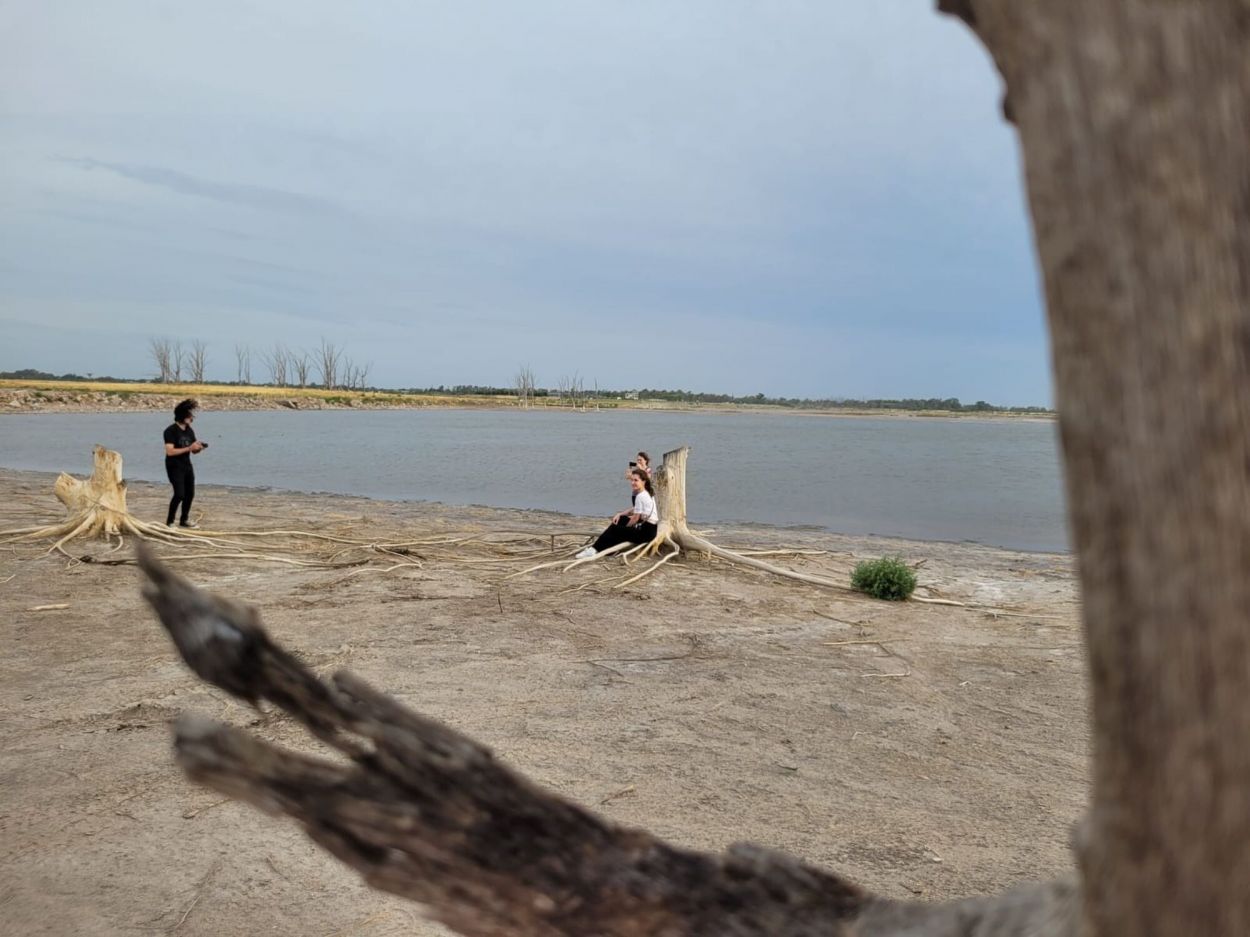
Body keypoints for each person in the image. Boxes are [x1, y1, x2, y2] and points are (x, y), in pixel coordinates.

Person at [576, 467, 659, 559]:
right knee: (621, 520)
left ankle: (594, 550)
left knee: (615, 529)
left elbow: (635, 518)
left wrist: (623, 529)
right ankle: (607, 550)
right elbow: (634, 509)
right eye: (632, 480)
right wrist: (620, 514)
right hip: (651, 529)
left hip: (645, 533)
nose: (633, 483)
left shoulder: (640, 496)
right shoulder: (647, 492)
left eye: (636, 480)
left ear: (643, 481)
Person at [163, 398, 206, 528]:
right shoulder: (170, 431)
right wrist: (189, 448)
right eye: (189, 417)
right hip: (174, 466)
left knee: (190, 494)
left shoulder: (189, 430)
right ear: (182, 416)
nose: (191, 419)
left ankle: (184, 520)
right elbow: (170, 451)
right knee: (179, 494)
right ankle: (170, 521)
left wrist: (198, 449)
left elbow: (193, 451)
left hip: (187, 465)